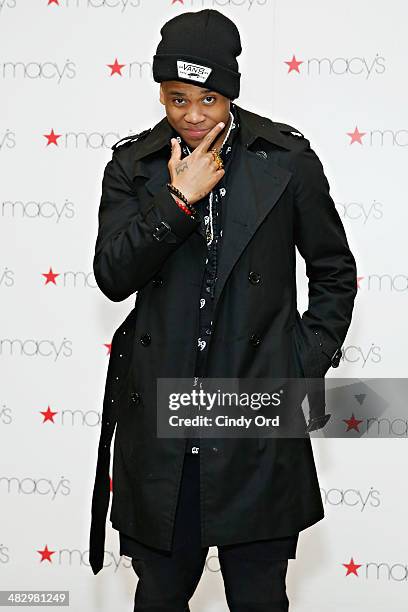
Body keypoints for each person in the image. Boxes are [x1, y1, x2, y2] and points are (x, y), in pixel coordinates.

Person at [89, 9, 357, 611]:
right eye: (176, 98)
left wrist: (299, 361)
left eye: (208, 98)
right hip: (164, 419)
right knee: (159, 596)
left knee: (259, 596)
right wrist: (179, 200)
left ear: (230, 92)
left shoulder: (285, 159)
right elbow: (111, 276)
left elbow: (334, 271)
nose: (191, 115)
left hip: (255, 413)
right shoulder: (135, 167)